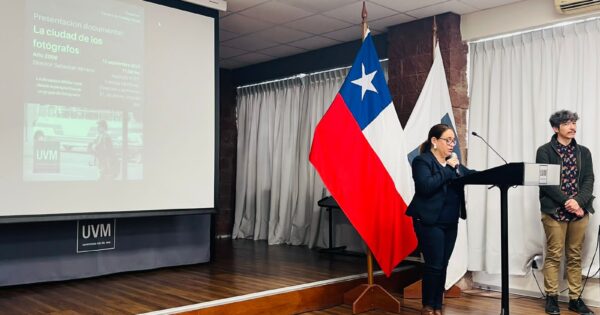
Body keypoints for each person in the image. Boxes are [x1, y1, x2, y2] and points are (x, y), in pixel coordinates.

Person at [406, 124, 475, 315]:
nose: (452, 144)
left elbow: (472, 175)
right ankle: (428, 305)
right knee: (433, 264)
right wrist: (448, 168)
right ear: (434, 142)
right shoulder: (422, 161)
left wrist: (499, 175)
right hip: (429, 221)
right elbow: (426, 186)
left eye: (454, 140)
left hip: (449, 222)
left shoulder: (453, 163)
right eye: (448, 140)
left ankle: (437, 305)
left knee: (443, 264)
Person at [536, 110, 595, 315]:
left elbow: (589, 180)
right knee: (553, 254)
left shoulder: (584, 152)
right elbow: (545, 183)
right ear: (555, 128)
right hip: (554, 210)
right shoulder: (544, 151)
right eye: (567, 123)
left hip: (579, 211)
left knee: (575, 255)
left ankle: (574, 299)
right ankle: (551, 298)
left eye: (574, 123)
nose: (572, 127)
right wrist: (567, 202)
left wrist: (577, 202)